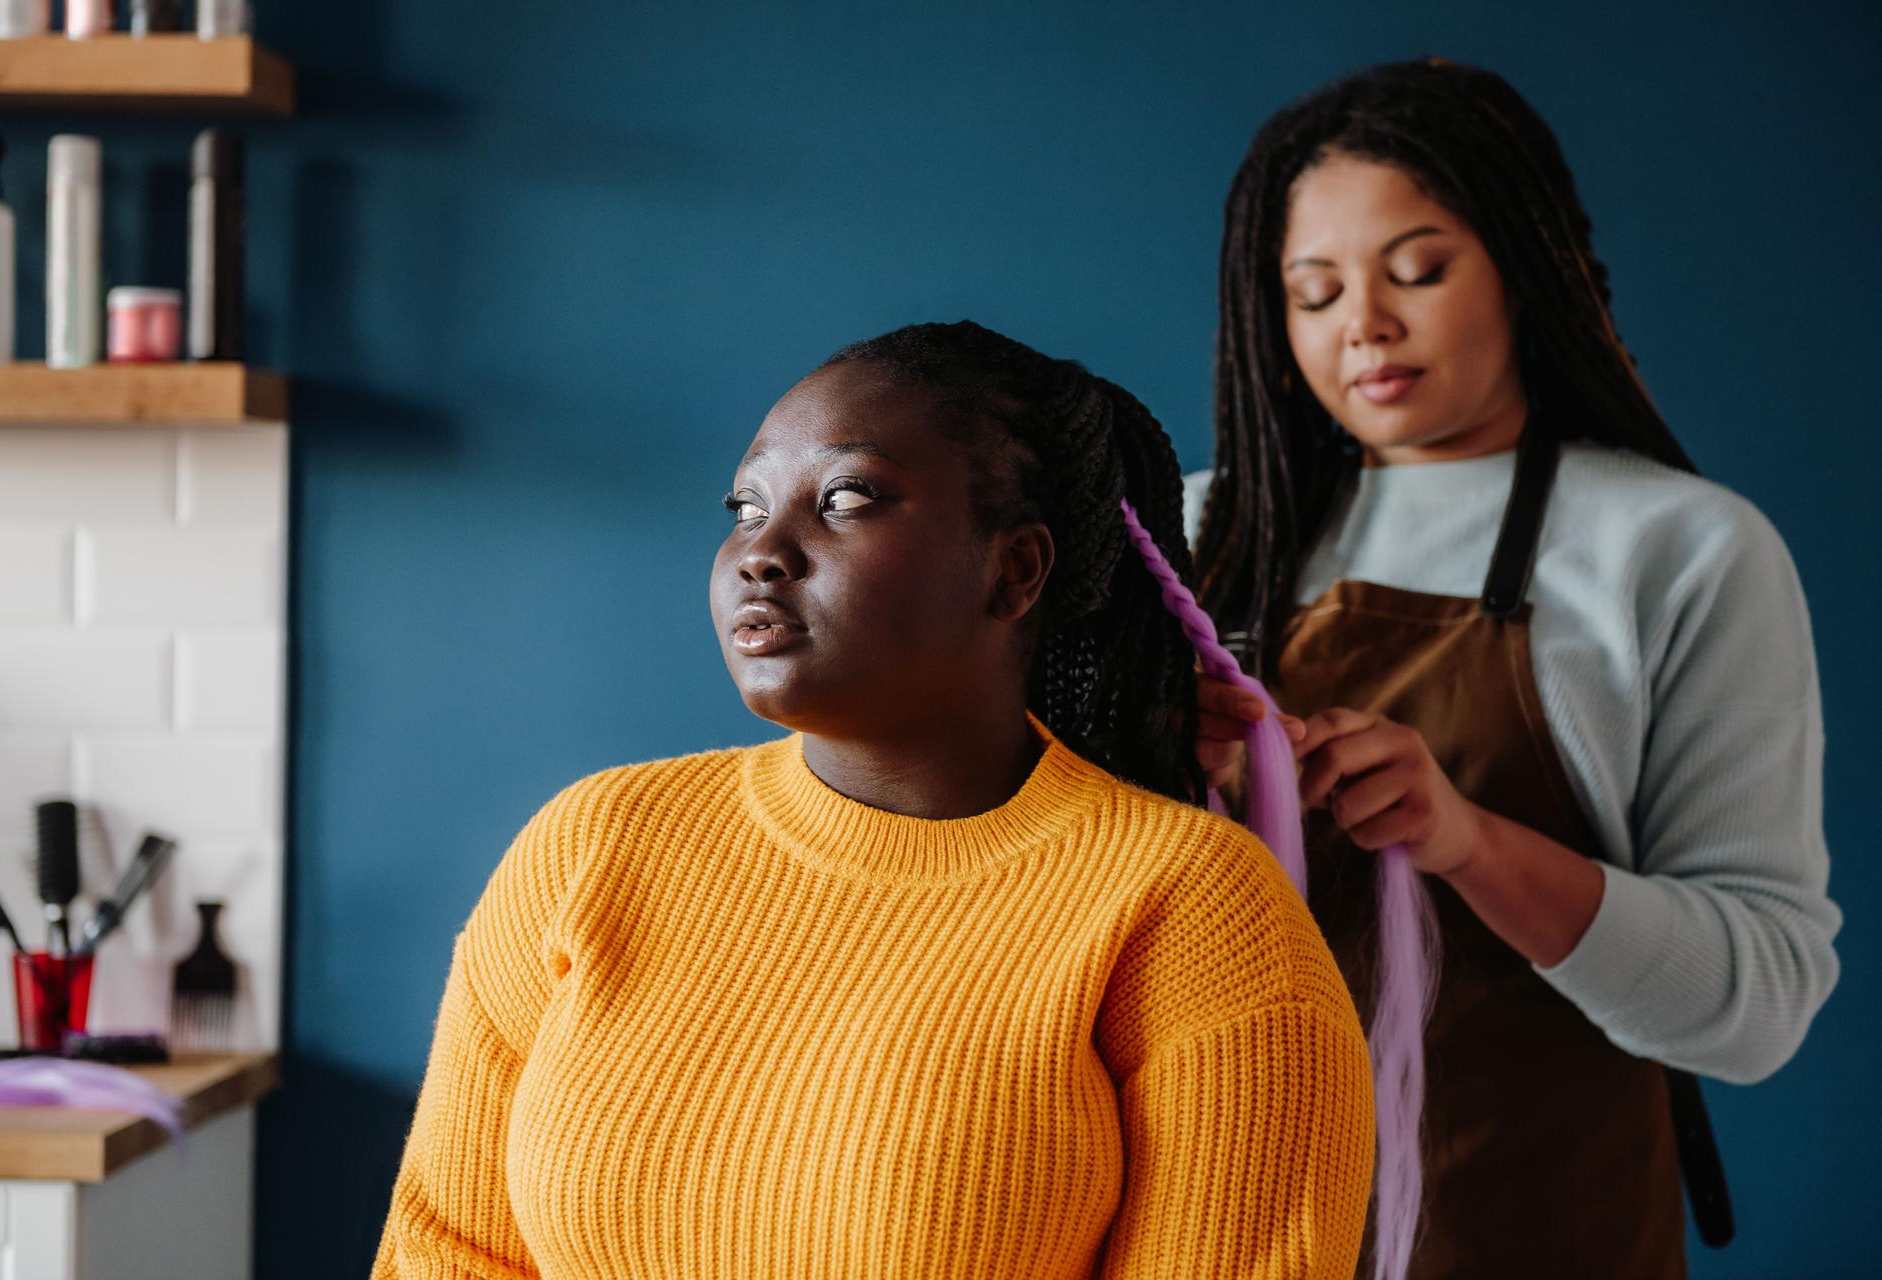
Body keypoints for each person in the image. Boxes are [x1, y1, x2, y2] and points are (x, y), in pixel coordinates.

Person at [373, 321, 1376, 1279]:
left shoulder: (1192, 910)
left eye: (847, 497)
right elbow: (447, 1248)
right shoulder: (590, 846)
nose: (761, 551)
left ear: (1014, 568)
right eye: (745, 507)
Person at [1186, 59, 1841, 1278]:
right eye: (1314, 291)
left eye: (1417, 270)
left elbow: (1758, 1005)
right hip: (1232, 1226)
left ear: (1525, 269)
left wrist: (1465, 840)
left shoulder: (1682, 548)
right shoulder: (1203, 536)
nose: (1364, 324)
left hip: (1533, 1223)